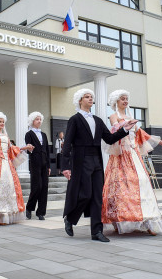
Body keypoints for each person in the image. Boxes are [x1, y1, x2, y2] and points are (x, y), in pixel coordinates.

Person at [62, 89, 137, 242]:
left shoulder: (97, 120)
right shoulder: (74, 119)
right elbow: (67, 143)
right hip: (81, 160)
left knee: (98, 197)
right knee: (85, 194)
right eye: (87, 97)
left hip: (96, 160)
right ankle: (70, 218)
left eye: (92, 97)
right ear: (80, 100)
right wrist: (65, 166)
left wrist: (124, 130)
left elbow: (109, 138)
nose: (90, 99)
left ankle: (96, 231)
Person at [102, 90, 162, 236]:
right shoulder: (114, 116)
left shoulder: (131, 116)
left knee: (142, 181)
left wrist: (157, 140)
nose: (125, 101)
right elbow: (115, 131)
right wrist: (125, 125)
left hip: (134, 154)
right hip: (121, 155)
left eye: (126, 99)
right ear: (116, 102)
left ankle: (148, 219)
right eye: (122, 99)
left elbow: (140, 133)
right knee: (121, 184)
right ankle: (119, 220)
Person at [25, 112, 50, 221]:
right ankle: (29, 208)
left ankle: (41, 212)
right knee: (37, 187)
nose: (39, 121)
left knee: (44, 187)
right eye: (37, 119)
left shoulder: (44, 134)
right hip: (35, 163)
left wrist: (49, 166)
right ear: (32, 121)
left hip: (44, 163)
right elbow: (28, 149)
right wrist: (29, 148)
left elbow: (48, 151)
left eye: (40, 119)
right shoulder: (29, 134)